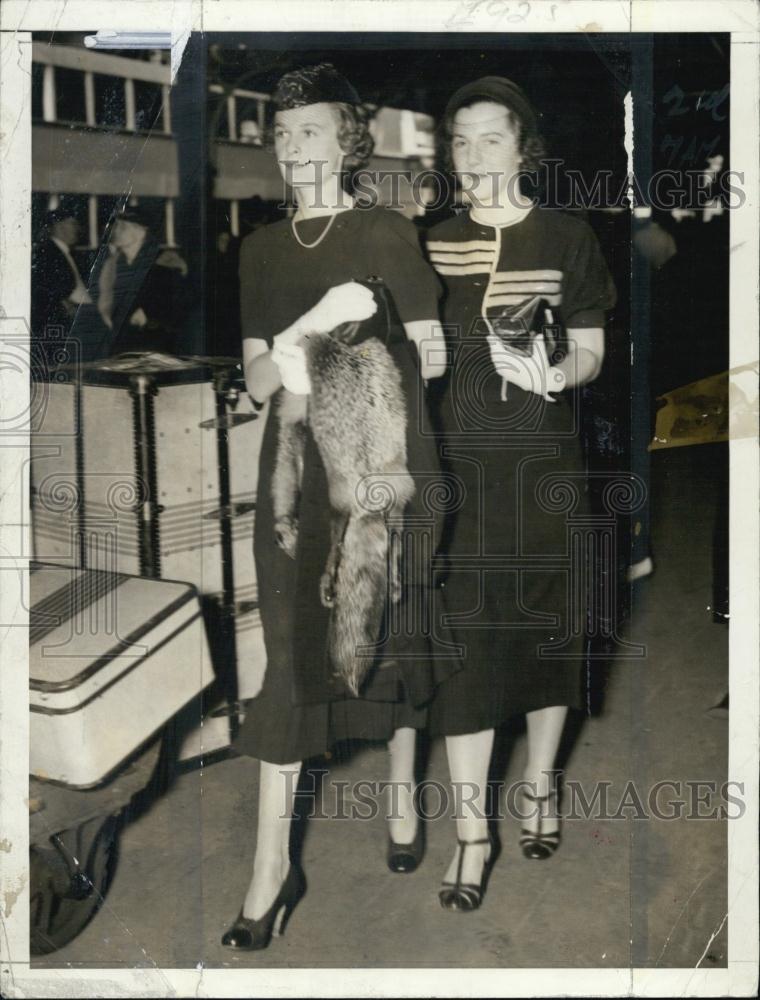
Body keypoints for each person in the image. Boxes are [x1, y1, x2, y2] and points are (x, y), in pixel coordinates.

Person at [224, 62, 454, 951]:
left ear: (348, 142)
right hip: (292, 486)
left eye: (311, 131)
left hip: (386, 477)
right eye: (282, 135)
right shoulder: (260, 251)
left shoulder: (387, 231)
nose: (293, 148)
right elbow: (253, 385)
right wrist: (310, 330)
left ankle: (403, 792)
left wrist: (352, 360)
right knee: (291, 665)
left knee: (394, 640)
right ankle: (270, 872)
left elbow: (429, 361)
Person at [425, 76, 616, 910]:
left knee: (547, 637)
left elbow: (592, 353)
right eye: (460, 142)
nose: (472, 157)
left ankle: (540, 783)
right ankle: (473, 833)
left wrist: (554, 376)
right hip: (456, 478)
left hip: (543, 472)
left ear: (524, 146)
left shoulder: (566, 235)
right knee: (462, 653)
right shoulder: (429, 242)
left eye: (490, 139)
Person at [90, 204, 189, 358]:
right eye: (116, 227)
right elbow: (105, 301)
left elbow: (179, 306)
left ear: (140, 231)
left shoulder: (165, 262)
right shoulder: (112, 265)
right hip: (119, 346)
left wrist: (150, 315)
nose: (115, 232)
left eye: (122, 227)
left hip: (157, 347)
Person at [31, 208, 92, 344]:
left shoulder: (67, 253)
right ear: (59, 226)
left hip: (82, 313)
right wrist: (68, 306)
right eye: (73, 224)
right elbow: (45, 287)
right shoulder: (47, 252)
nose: (78, 229)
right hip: (64, 316)